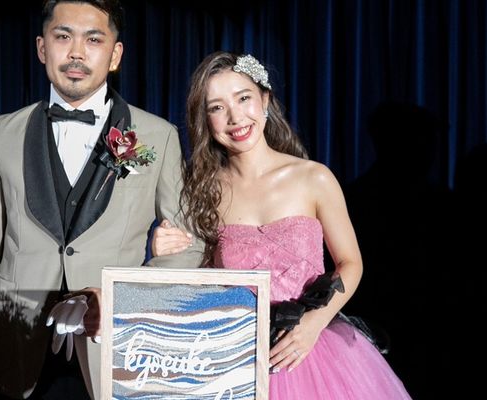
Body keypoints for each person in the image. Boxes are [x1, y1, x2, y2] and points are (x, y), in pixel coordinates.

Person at [0, 1, 201, 399]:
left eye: (93, 40)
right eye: (63, 36)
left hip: (115, 352)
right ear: (42, 48)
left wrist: (119, 298)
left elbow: (190, 247)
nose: (76, 52)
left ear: (115, 54)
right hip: (15, 354)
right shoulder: (1, 134)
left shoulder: (158, 136)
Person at [152, 51, 411, 399]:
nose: (235, 117)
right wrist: (162, 248)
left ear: (265, 100)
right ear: (205, 120)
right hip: (235, 356)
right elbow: (197, 277)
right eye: (217, 107)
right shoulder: (203, 192)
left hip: (311, 351)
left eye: (243, 98)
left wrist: (313, 324)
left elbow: (351, 263)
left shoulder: (313, 178)